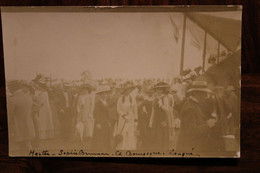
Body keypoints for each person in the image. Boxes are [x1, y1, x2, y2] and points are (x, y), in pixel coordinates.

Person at [177, 81, 219, 153]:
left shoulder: (193, 105)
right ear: (196, 93)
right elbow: (191, 132)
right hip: (189, 147)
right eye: (204, 93)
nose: (206, 96)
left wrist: (207, 122)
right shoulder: (190, 108)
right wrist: (208, 125)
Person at [7, 80, 35, 151]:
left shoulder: (12, 100)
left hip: (17, 130)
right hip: (28, 127)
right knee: (28, 147)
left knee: (16, 150)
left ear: (11, 88)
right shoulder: (28, 97)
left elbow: (9, 117)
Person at [115, 82, 138, 150]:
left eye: (129, 90)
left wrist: (136, 121)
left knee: (130, 133)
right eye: (127, 90)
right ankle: (122, 147)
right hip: (122, 119)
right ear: (124, 91)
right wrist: (124, 115)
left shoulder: (133, 99)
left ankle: (130, 147)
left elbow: (135, 110)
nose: (128, 91)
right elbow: (118, 109)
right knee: (123, 132)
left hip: (131, 118)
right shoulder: (120, 99)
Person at [149, 82, 170, 150]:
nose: (157, 91)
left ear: (162, 90)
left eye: (159, 90)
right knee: (155, 137)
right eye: (157, 90)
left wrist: (161, 105)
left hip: (162, 121)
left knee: (161, 138)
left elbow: (167, 110)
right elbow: (153, 111)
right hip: (156, 121)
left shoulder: (165, 98)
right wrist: (151, 121)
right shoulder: (155, 99)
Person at [92, 86, 111, 151]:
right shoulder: (98, 102)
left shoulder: (105, 102)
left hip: (105, 120)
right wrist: (98, 123)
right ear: (100, 95)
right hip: (100, 120)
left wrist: (109, 121)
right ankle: (99, 148)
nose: (104, 95)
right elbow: (96, 113)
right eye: (102, 94)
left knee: (106, 134)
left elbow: (107, 113)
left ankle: (106, 147)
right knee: (100, 135)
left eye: (105, 93)